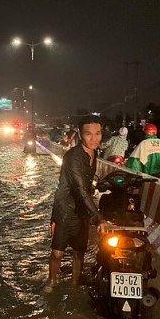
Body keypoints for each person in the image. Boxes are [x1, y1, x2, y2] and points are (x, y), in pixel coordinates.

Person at [45, 115, 110, 292]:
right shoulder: (73, 157)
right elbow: (81, 189)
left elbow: (88, 187)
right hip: (65, 209)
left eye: (98, 133)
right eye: (89, 134)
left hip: (81, 210)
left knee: (79, 251)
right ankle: (51, 282)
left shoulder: (93, 153)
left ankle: (74, 285)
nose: (94, 138)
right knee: (57, 252)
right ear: (80, 134)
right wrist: (99, 219)